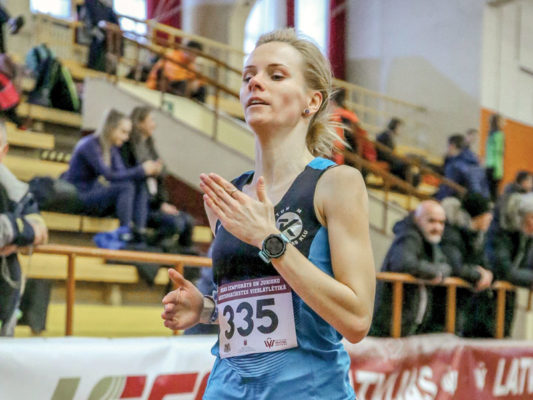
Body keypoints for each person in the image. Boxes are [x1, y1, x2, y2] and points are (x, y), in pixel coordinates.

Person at [161, 28, 376, 399]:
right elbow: (269, 311)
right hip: (227, 389)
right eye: (248, 76)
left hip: (309, 391)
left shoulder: (336, 184)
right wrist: (207, 309)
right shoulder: (226, 198)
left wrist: (269, 240)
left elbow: (356, 320)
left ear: (312, 101)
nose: (255, 82)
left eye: (276, 75)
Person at [64, 109, 162, 247]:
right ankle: (125, 232)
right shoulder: (90, 144)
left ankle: (139, 233)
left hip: (93, 193)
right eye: (123, 132)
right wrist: (141, 170)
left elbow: (122, 174)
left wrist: (143, 172)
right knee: (126, 186)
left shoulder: (111, 148)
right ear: (111, 128)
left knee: (138, 183)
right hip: (78, 196)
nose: (126, 138)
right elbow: (109, 175)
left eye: (128, 133)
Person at [370, 200, 452, 337]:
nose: (437, 227)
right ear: (417, 219)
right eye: (431, 221)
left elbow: (446, 267)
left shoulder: (430, 241)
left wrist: (436, 272)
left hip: (408, 324)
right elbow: (404, 264)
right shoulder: (409, 236)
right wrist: (433, 272)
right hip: (390, 324)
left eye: (441, 222)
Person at [120, 106, 195, 251]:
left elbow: (162, 173)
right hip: (140, 205)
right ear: (139, 123)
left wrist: (162, 202)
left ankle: (186, 257)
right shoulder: (128, 147)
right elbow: (131, 177)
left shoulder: (150, 144)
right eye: (151, 120)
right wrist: (147, 170)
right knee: (176, 223)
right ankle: (154, 248)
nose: (154, 124)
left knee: (188, 221)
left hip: (155, 202)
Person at [0, 120, 48, 336]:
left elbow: (40, 230)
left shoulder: (15, 190)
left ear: (4, 151)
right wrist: (16, 229)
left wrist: (17, 235)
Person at [474, 192, 533, 337]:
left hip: (506, 300)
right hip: (485, 297)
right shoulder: (499, 230)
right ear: (520, 216)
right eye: (532, 217)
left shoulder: (525, 235)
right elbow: (504, 270)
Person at [440, 193, 493, 336]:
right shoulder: (451, 233)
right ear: (478, 215)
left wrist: (488, 274)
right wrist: (479, 275)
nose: (491, 218)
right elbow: (455, 267)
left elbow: (485, 264)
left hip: (463, 301)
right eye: (488, 213)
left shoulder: (477, 235)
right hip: (444, 302)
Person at [435, 134, 489, 200]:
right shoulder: (472, 161)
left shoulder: (455, 165)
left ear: (452, 146)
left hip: (462, 201)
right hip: (481, 201)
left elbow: (448, 189)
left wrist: (436, 198)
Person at [376, 117, 419, 186]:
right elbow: (385, 154)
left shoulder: (387, 135)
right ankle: (407, 186)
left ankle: (403, 184)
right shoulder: (386, 136)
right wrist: (399, 159)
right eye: (400, 128)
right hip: (386, 160)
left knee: (407, 162)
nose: (400, 131)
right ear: (395, 127)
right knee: (408, 164)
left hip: (388, 159)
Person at [81, 0, 120, 72]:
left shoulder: (108, 8)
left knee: (113, 39)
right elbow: (87, 21)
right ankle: (94, 66)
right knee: (99, 38)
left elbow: (116, 23)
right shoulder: (90, 3)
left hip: (107, 32)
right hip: (94, 30)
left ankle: (107, 69)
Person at [485, 113, 505, 201]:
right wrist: (499, 170)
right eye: (502, 121)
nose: (504, 123)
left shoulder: (490, 134)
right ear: (498, 122)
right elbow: (498, 153)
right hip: (495, 167)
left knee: (490, 191)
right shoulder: (499, 135)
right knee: (494, 193)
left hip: (489, 165)